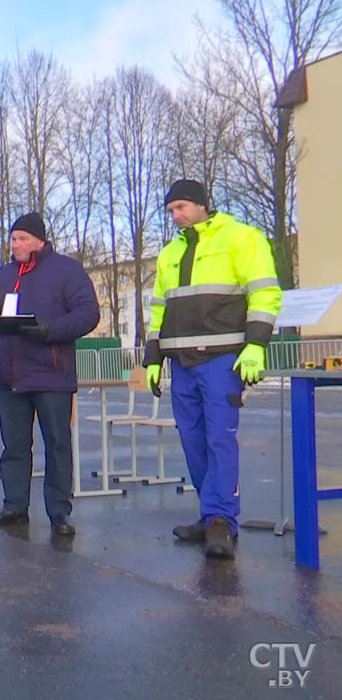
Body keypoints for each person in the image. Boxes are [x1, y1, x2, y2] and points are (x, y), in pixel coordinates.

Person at [145, 180, 282, 559]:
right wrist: (152, 358)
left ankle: (222, 519)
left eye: (182, 207)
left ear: (203, 204)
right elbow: (159, 309)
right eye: (171, 210)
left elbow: (265, 292)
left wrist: (256, 344)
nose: (176, 216)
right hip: (182, 362)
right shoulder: (169, 253)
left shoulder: (242, 238)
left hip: (223, 357)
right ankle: (211, 515)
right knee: (193, 441)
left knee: (220, 438)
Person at [0, 212, 99, 537]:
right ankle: (14, 505)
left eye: (23, 239)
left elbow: (88, 313)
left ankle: (59, 512)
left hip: (51, 372)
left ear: (40, 241)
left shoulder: (66, 271)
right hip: (9, 375)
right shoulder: (3, 275)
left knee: (57, 444)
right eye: (13, 239)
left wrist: (49, 331)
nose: (16, 244)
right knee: (13, 446)